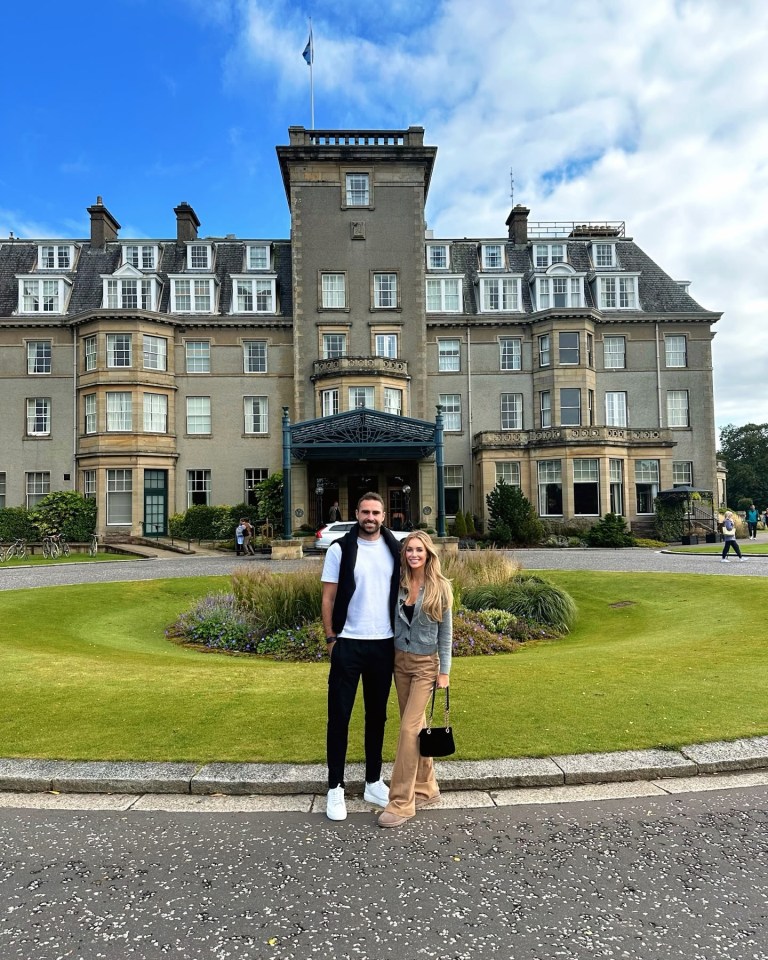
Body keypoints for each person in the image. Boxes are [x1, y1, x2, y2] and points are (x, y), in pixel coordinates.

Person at [321, 492, 402, 821]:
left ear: (384, 515)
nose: (370, 517)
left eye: (376, 512)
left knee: (377, 717)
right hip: (349, 643)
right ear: (356, 513)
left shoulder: (393, 547)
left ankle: (372, 780)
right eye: (365, 511)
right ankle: (336, 787)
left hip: (383, 643)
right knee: (339, 717)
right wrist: (330, 639)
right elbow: (328, 597)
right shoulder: (340, 548)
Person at [378, 531, 453, 828]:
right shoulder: (399, 584)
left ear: (428, 554)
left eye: (419, 550)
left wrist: (444, 672)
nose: (413, 554)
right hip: (400, 663)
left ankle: (401, 802)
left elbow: (446, 635)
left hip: (425, 666)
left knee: (408, 730)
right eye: (409, 549)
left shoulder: (441, 587)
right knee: (417, 727)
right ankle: (427, 788)